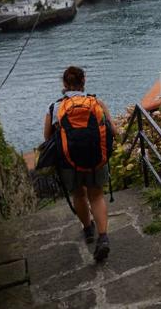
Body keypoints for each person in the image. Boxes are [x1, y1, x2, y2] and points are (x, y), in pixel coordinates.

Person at [43, 66, 116, 261]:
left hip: (68, 161)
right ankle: (103, 237)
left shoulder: (55, 107)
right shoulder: (96, 102)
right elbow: (114, 131)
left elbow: (47, 137)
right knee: (96, 194)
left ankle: (88, 229)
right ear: (84, 82)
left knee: (79, 194)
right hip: (96, 159)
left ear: (64, 84)